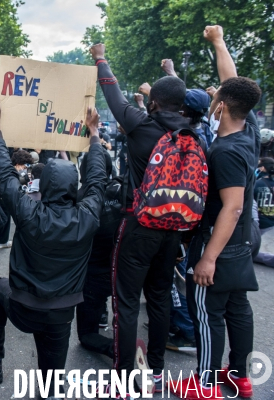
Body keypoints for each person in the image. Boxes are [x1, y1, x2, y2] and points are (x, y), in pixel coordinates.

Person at [0, 102, 107, 397]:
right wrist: (94, 135)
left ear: (45, 184)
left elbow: (5, 175)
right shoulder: (87, 216)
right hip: (61, 314)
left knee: (0, 289)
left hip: (24, 307)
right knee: (52, 382)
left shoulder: (29, 212)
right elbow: (98, 180)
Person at [91, 41, 192, 395]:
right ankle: (158, 372)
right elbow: (184, 96)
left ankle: (124, 379)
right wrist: (172, 75)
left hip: (139, 224)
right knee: (161, 298)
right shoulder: (194, 131)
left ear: (152, 102)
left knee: (127, 303)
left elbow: (113, 94)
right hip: (174, 230)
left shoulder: (141, 125)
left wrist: (101, 59)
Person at [170, 25, 262, 400]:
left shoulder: (224, 151)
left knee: (207, 312)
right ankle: (239, 376)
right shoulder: (249, 128)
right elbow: (233, 81)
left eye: (216, 97)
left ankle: (204, 383)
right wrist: (220, 43)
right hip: (243, 241)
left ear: (220, 106)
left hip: (220, 244)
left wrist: (207, 258)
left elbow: (233, 205)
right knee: (238, 308)